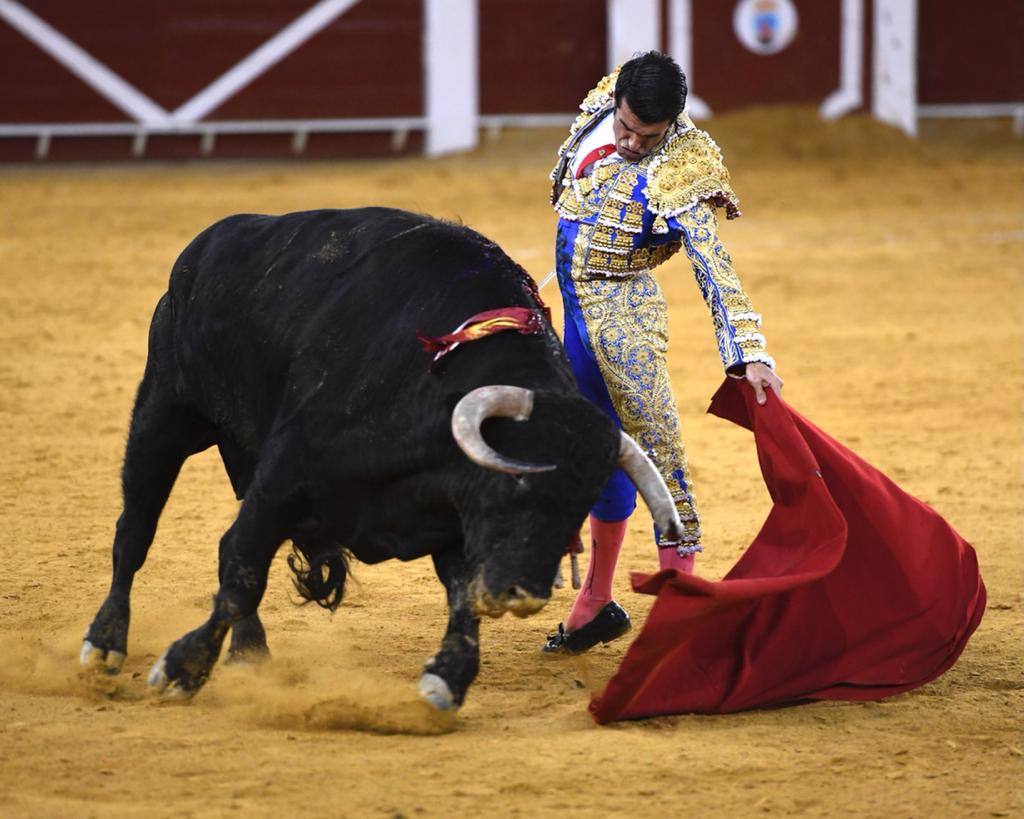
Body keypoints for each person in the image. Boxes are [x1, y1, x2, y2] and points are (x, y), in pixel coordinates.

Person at [543, 51, 783, 653]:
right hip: (572, 308)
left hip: (624, 317)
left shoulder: (683, 168)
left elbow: (714, 268)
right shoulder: (606, 99)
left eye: (646, 137)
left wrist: (749, 350)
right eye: (624, 128)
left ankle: (679, 624)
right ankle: (595, 602)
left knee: (658, 456)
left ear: (671, 125)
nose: (629, 143)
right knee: (592, 447)